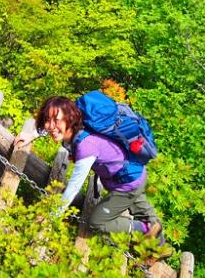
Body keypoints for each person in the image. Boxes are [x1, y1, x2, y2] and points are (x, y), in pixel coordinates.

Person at [15, 96, 165, 242]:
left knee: (96, 223)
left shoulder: (85, 146)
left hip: (127, 184)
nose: (51, 126)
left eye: (56, 120)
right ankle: (159, 247)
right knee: (149, 217)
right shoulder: (79, 125)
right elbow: (51, 128)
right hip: (133, 174)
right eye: (47, 120)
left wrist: (52, 215)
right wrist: (32, 135)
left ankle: (143, 228)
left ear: (69, 118)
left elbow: (73, 187)